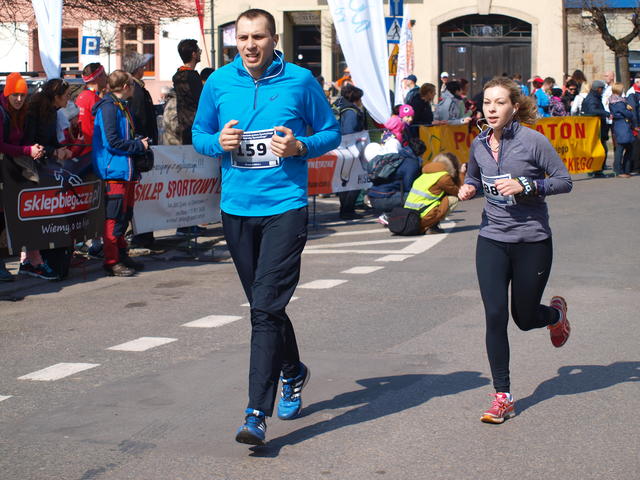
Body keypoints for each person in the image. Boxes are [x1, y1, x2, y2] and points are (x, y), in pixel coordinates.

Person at [192, 8, 340, 446]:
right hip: (237, 209)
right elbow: (199, 134)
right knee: (265, 306)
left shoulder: (299, 80)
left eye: (258, 37)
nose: (250, 45)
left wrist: (301, 146)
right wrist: (216, 143)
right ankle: (293, 370)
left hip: (284, 207)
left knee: (263, 310)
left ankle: (256, 413)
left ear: (274, 40)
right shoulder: (219, 82)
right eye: (243, 38)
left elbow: (330, 131)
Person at [457, 76, 572, 424]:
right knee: (495, 315)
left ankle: (554, 317)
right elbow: (475, 178)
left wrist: (527, 186)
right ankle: (502, 396)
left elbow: (563, 181)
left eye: (500, 103)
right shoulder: (479, 143)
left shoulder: (533, 141)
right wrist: (468, 188)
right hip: (491, 238)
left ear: (514, 106)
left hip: (532, 241)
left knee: (523, 318)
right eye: (487, 103)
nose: (491, 109)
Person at [92, 70, 149, 277]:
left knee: (125, 216)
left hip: (126, 170)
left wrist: (137, 142)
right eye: (132, 85)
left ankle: (122, 255)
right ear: (125, 87)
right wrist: (138, 146)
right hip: (114, 171)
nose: (134, 89)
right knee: (114, 218)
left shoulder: (121, 106)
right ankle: (111, 260)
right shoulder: (108, 107)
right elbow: (112, 142)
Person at [23, 78, 74, 280]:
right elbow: (30, 141)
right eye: (67, 96)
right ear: (56, 96)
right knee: (34, 217)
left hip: (45, 168)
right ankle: (31, 260)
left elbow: (51, 141)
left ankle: (33, 259)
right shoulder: (34, 110)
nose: (69, 99)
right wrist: (53, 151)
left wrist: (61, 149)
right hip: (30, 170)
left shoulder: (54, 111)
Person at [0, 73, 46, 281]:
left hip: (12, 172)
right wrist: (27, 150)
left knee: (17, 217)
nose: (19, 99)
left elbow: (21, 141)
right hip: (3, 173)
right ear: (7, 93)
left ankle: (30, 259)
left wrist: (36, 148)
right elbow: (2, 145)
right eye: (15, 95)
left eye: (22, 95)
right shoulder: (1, 112)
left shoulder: (23, 113)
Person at [123, 52, 159, 249]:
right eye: (143, 66)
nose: (145, 68)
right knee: (141, 197)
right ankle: (141, 235)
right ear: (136, 69)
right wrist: (145, 142)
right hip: (140, 150)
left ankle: (143, 234)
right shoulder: (135, 91)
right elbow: (139, 119)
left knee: (143, 196)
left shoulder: (138, 88)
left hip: (142, 147)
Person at [173, 39, 206, 236]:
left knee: (188, 178)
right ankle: (188, 223)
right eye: (198, 50)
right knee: (195, 178)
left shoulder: (178, 75)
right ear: (193, 54)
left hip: (184, 129)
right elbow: (202, 103)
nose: (200, 52)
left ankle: (186, 223)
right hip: (195, 129)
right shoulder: (192, 77)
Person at [403, 152, 465, 234]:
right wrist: (461, 173)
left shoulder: (424, 175)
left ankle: (427, 225)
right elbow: (459, 193)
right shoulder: (443, 177)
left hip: (409, 217)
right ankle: (427, 227)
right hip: (420, 219)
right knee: (453, 199)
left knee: (440, 199)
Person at [367, 137, 423, 220]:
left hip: (373, 196)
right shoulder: (411, 163)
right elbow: (408, 186)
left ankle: (390, 214)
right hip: (384, 199)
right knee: (418, 197)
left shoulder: (397, 156)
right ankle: (390, 216)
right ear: (420, 153)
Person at [336, 83, 366, 220]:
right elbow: (349, 132)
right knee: (354, 180)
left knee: (344, 180)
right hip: (351, 149)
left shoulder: (339, 105)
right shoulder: (351, 112)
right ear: (356, 99)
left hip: (340, 149)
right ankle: (347, 210)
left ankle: (345, 209)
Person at [76, 63, 107, 157]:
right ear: (97, 78)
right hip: (94, 151)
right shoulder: (94, 99)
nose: (106, 77)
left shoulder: (81, 95)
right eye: (104, 74)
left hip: (82, 149)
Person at [582, 79, 610, 176]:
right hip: (595, 128)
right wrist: (605, 113)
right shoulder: (592, 98)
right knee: (601, 150)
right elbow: (592, 110)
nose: (603, 91)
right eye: (602, 89)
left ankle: (595, 169)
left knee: (600, 149)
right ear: (598, 89)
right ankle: (597, 170)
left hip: (597, 128)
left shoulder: (594, 97)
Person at [609, 82, 635, 178]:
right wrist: (629, 111)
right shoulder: (618, 102)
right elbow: (627, 113)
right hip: (622, 125)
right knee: (622, 148)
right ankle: (619, 170)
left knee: (626, 148)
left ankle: (624, 169)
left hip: (620, 125)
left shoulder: (615, 100)